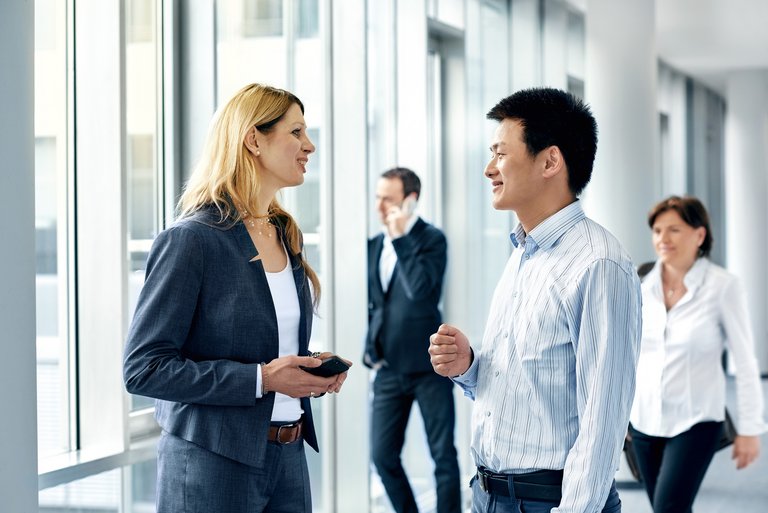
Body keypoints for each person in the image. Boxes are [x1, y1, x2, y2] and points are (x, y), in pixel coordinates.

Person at [123, 83, 351, 513]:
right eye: (297, 132)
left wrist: (305, 369)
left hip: (289, 456)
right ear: (254, 140)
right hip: (212, 463)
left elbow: (263, 346)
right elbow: (144, 369)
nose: (310, 145)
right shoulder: (191, 241)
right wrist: (263, 379)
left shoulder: (286, 234)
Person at [428, 87, 642, 513]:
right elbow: (524, 381)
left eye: (501, 154)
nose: (489, 169)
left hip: (551, 501)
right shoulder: (524, 254)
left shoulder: (599, 263)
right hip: (489, 494)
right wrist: (470, 366)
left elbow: (603, 422)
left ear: (550, 161)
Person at [628, 195, 767, 513]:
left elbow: (745, 362)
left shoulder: (722, 287)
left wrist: (749, 429)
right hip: (644, 422)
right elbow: (629, 358)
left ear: (699, 235)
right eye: (658, 230)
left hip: (696, 421)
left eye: (674, 230)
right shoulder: (640, 285)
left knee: (669, 508)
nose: (663, 239)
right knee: (666, 508)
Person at [364, 167, 461, 513]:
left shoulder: (431, 239)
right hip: (389, 368)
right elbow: (377, 304)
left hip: (429, 367)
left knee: (443, 456)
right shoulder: (374, 245)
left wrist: (402, 237)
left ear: (410, 200)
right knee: (382, 455)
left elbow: (422, 293)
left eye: (388, 200)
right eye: (377, 198)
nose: (379, 207)